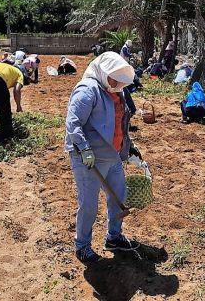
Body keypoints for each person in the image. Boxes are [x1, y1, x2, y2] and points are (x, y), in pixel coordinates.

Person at [64, 52, 143, 263]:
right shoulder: (87, 90)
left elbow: (120, 123)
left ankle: (114, 237)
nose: (117, 83)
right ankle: (82, 246)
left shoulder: (117, 92)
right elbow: (73, 123)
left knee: (119, 196)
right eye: (113, 78)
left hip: (112, 155)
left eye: (120, 80)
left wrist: (129, 146)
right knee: (89, 204)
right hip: (88, 158)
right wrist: (83, 148)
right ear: (103, 71)